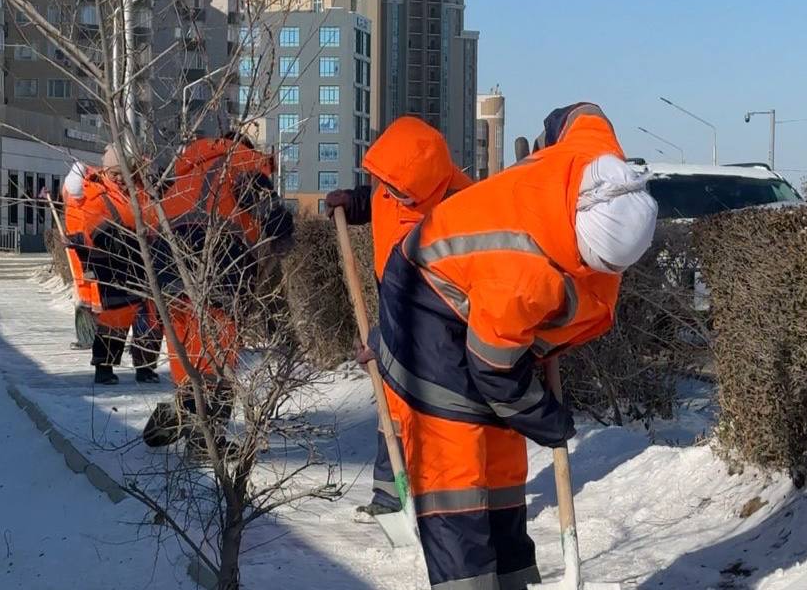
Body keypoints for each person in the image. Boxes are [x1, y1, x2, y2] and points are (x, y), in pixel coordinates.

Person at [363, 103, 658, 590]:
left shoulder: (599, 160)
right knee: (455, 466)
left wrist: (549, 141)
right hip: (425, 308)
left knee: (501, 455)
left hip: (474, 291)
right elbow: (495, 374)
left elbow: (582, 113)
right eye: (598, 264)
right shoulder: (523, 273)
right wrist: (546, 417)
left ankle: (514, 579)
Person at [324, 115, 472, 521]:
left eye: (397, 189)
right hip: (394, 304)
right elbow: (375, 202)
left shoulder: (461, 203)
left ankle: (442, 495)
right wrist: (351, 204)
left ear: (423, 184)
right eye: (384, 183)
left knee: (432, 408)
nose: (388, 192)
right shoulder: (388, 187)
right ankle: (390, 498)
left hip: (440, 316)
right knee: (392, 403)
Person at [142, 133, 294, 454]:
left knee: (189, 357)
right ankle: (197, 435)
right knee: (218, 360)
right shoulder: (242, 163)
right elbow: (270, 213)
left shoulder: (184, 172)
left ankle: (190, 425)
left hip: (165, 268)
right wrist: (284, 236)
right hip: (216, 264)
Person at [63, 146, 160, 385]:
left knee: (150, 317)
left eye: (124, 173)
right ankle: (104, 367)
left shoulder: (142, 192)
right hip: (112, 262)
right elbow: (96, 228)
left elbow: (155, 219)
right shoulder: (95, 192)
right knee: (115, 316)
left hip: (143, 261)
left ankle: (146, 367)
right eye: (114, 173)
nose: (119, 178)